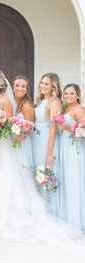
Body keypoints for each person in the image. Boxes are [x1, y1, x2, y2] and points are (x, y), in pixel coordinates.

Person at [0, 70, 79, 246]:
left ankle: (5, 219)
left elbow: (10, 124)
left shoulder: (5, 101)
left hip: (3, 145)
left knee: (5, 179)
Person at [32, 73, 62, 215]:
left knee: (44, 171)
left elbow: (53, 127)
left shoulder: (54, 102)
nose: (42, 86)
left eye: (46, 84)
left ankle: (48, 210)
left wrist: (49, 152)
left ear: (53, 87)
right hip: (36, 139)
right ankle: (38, 208)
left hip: (45, 140)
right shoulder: (39, 101)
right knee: (36, 172)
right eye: (42, 83)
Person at [57, 84, 85, 230]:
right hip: (63, 146)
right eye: (66, 94)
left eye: (71, 94)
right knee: (66, 180)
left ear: (78, 95)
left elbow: (83, 132)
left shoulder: (80, 110)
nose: (67, 96)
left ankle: (76, 220)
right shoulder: (64, 108)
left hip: (74, 149)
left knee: (74, 180)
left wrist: (66, 128)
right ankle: (66, 217)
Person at [12, 75, 34, 172]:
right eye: (17, 86)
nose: (20, 89)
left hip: (21, 141)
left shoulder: (26, 104)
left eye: (23, 86)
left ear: (27, 89)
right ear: (12, 88)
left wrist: (22, 136)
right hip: (10, 140)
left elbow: (30, 126)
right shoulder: (10, 102)